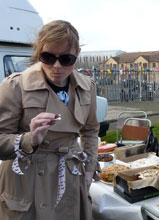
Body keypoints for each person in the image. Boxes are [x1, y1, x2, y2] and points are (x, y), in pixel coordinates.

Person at [0, 20, 99, 219]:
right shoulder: (15, 86)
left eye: (66, 59)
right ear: (39, 52)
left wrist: (89, 169)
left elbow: (90, 130)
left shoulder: (87, 87)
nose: (56, 66)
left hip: (70, 176)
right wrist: (29, 139)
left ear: (77, 53)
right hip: (27, 181)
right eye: (48, 57)